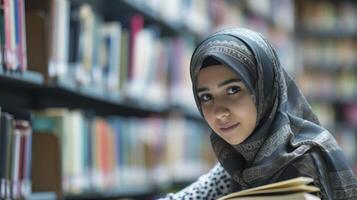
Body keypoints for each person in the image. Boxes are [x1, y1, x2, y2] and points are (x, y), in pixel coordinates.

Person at [158, 28, 357, 200]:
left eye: (233, 90)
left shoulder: (306, 161)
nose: (219, 112)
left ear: (264, 90)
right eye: (206, 97)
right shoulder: (240, 158)